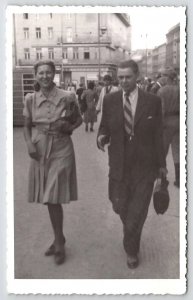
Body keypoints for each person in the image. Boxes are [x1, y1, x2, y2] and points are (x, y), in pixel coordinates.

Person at [97, 60, 167, 269]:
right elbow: (104, 128)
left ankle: (131, 250)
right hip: (119, 165)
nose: (124, 81)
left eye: (128, 77)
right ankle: (131, 230)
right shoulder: (110, 100)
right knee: (119, 205)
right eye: (120, 77)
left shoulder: (152, 101)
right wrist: (101, 137)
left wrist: (161, 166)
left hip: (145, 167)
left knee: (137, 211)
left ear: (136, 76)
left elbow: (158, 135)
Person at [23, 60, 82, 265]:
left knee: (53, 195)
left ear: (54, 74)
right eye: (41, 73)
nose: (45, 76)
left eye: (48, 72)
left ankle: (59, 243)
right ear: (36, 75)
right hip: (39, 148)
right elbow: (26, 125)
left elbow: (78, 120)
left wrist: (69, 127)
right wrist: (29, 144)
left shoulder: (68, 96)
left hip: (62, 147)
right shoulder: (30, 98)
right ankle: (60, 237)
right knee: (48, 197)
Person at [157, 68, 180, 187]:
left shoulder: (162, 91)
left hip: (166, 122)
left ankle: (163, 178)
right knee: (177, 150)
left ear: (167, 78)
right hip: (179, 121)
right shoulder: (181, 89)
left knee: (162, 151)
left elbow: (161, 110)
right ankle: (179, 179)